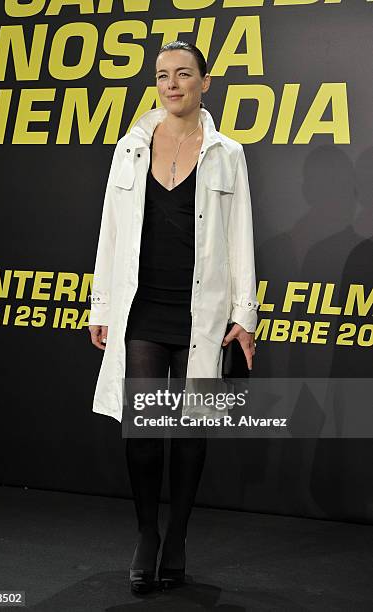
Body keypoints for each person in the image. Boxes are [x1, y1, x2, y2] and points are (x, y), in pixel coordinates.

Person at [88, 40, 259, 594]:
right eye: (163, 75)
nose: (172, 84)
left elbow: (240, 237)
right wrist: (103, 306)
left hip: (200, 315)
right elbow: (110, 231)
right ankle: (146, 534)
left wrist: (245, 315)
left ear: (204, 82)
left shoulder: (227, 152)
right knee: (141, 431)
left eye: (184, 74)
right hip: (142, 308)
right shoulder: (130, 147)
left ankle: (178, 535)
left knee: (189, 429)